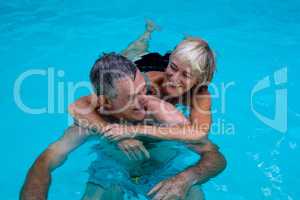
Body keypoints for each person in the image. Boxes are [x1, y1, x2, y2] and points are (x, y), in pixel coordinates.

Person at [20, 53, 225, 200]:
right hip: (113, 173)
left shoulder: (160, 111)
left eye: (144, 90)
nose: (144, 101)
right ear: (106, 102)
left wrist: (185, 179)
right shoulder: (91, 121)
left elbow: (215, 157)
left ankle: (144, 39)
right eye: (131, 98)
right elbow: (44, 162)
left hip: (165, 172)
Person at [68, 21, 227, 199]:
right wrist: (110, 129)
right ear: (169, 62)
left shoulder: (200, 95)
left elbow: (198, 134)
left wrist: (133, 130)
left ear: (199, 80)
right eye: (172, 67)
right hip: (145, 65)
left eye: (186, 75)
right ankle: (147, 33)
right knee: (131, 55)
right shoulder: (148, 83)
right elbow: (77, 106)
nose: (173, 79)